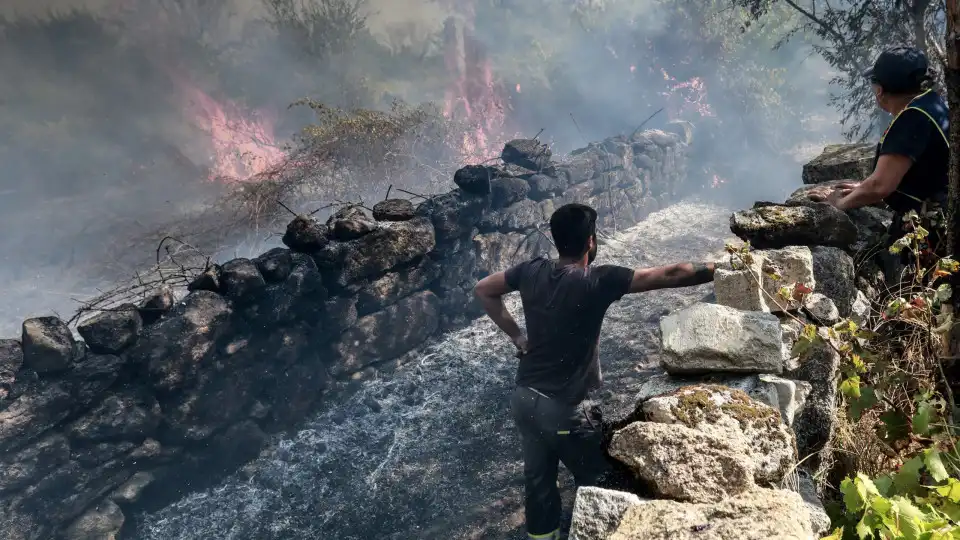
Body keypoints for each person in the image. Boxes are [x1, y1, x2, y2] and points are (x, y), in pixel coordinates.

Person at [473, 203, 717, 540]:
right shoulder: (597, 280)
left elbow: (484, 288)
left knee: (539, 485)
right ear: (591, 241)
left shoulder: (530, 271)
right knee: (606, 483)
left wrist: (517, 336)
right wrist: (724, 267)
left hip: (524, 400)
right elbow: (672, 274)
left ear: (558, 240)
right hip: (564, 412)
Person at [809, 45, 949, 256]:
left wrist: (839, 203)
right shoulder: (932, 103)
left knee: (892, 273)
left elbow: (881, 186)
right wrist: (863, 187)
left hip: (929, 229)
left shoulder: (912, 119)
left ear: (880, 91)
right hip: (945, 214)